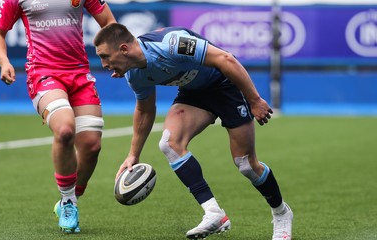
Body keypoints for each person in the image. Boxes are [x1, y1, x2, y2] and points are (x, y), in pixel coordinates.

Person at [94, 23, 293, 240]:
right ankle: (214, 213)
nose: (103, 64)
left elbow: (225, 59)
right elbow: (145, 110)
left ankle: (281, 213)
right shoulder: (134, 75)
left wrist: (254, 100)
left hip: (225, 84)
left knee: (246, 165)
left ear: (124, 49)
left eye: (105, 57)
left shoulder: (172, 44)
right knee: (169, 143)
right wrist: (133, 154)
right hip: (194, 93)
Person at [0, 0, 116, 233]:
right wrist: (4, 62)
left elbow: (108, 22)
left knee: (91, 145)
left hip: (79, 73)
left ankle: (71, 197)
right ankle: (68, 202)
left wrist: (115, 54)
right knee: (65, 129)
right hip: (43, 73)